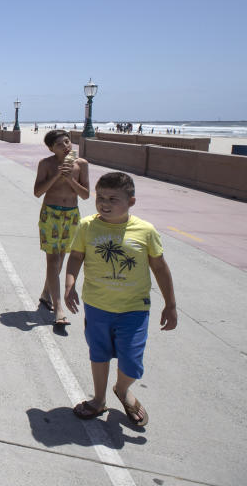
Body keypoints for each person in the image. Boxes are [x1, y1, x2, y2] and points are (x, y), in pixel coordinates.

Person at [65, 172, 178, 425]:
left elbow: (160, 268)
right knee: (99, 354)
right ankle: (98, 399)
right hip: (97, 306)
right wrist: (70, 284)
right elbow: (75, 257)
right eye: (100, 197)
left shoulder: (145, 231)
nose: (104, 203)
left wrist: (170, 305)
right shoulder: (87, 226)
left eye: (113, 198)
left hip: (134, 309)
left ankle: (123, 389)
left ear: (131, 201)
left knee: (131, 361)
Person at [34, 129, 90, 328]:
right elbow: (37, 192)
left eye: (67, 142)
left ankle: (46, 294)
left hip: (71, 215)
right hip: (51, 214)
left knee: (61, 259)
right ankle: (58, 308)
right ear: (51, 148)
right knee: (53, 259)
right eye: (60, 144)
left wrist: (70, 180)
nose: (66, 146)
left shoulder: (81, 164)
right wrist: (57, 176)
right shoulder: (46, 164)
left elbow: (85, 195)